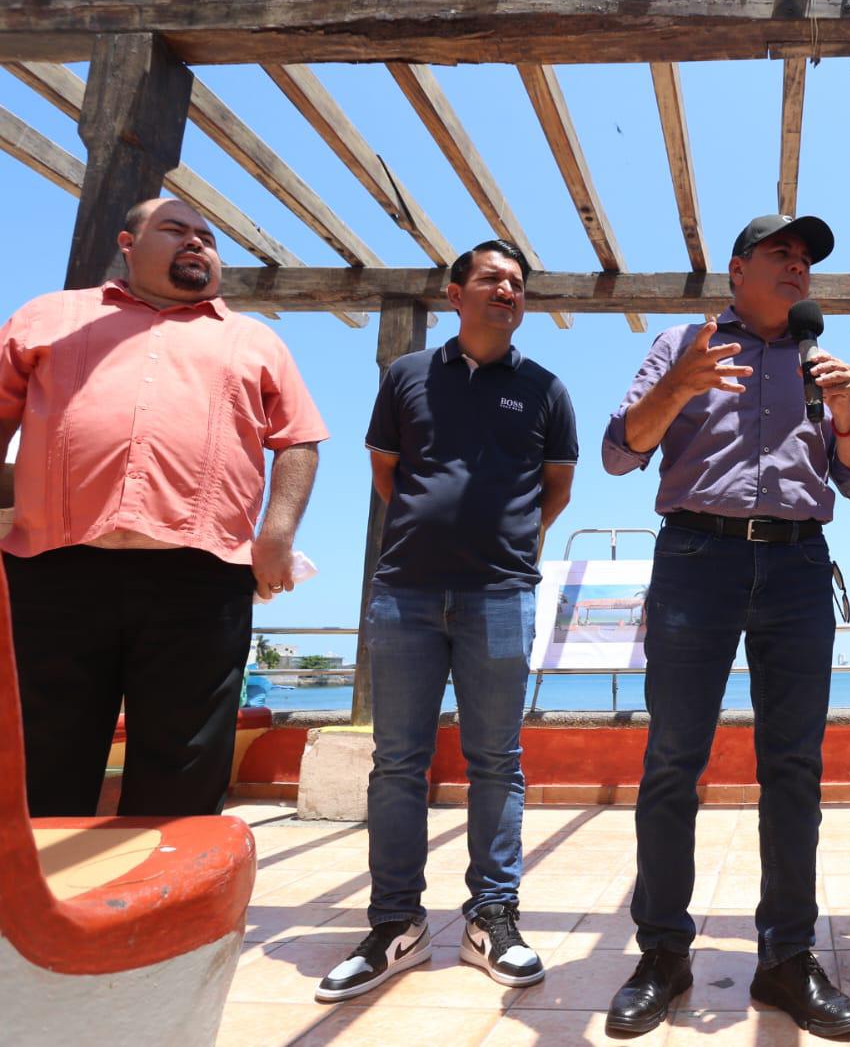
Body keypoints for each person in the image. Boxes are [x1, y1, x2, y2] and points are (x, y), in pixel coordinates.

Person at [599, 214, 850, 1037]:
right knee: (672, 763)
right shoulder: (684, 343)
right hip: (696, 559)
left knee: (793, 767)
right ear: (737, 270)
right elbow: (619, 452)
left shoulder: (820, 359)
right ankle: (662, 955)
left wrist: (847, 415)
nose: (797, 267)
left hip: (796, 566)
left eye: (806, 259)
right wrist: (679, 385)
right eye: (780, 253)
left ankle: (786, 961)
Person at [0, 197, 325, 818]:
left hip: (199, 580)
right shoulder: (48, 318)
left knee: (186, 764)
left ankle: (167, 914)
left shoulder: (253, 339)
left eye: (207, 237)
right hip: (53, 570)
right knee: (40, 758)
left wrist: (276, 536)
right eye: (175, 230)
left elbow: (298, 440)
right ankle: (29, 911)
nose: (197, 243)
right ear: (127, 243)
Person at [315, 239, 578, 1002]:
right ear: (454, 293)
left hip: (501, 594)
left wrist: (505, 546)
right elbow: (385, 469)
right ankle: (395, 924)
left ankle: (491, 917)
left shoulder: (546, 388)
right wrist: (432, 530)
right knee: (396, 763)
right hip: (405, 594)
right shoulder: (404, 376)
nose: (507, 290)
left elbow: (555, 486)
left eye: (518, 283)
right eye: (492, 278)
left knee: (497, 760)